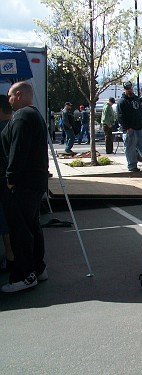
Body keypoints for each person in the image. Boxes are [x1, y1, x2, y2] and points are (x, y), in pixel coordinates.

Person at [0, 81, 49, 292]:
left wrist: (11, 178)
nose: (8, 100)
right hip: (34, 182)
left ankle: (24, 275)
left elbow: (18, 151)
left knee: (21, 231)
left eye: (10, 96)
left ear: (18, 95)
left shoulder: (22, 117)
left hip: (23, 184)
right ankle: (37, 269)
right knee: (32, 227)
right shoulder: (35, 115)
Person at [117, 81, 142, 172]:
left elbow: (140, 112)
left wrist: (141, 124)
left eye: (130, 88)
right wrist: (127, 127)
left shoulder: (136, 99)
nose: (129, 90)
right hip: (130, 130)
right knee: (130, 148)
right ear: (124, 89)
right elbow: (120, 116)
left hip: (139, 128)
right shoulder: (122, 102)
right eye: (127, 88)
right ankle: (132, 166)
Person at [0, 95, 14, 272]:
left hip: (5, 181)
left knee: (6, 224)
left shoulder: (4, 129)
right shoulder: (17, 125)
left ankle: (11, 258)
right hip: (16, 182)